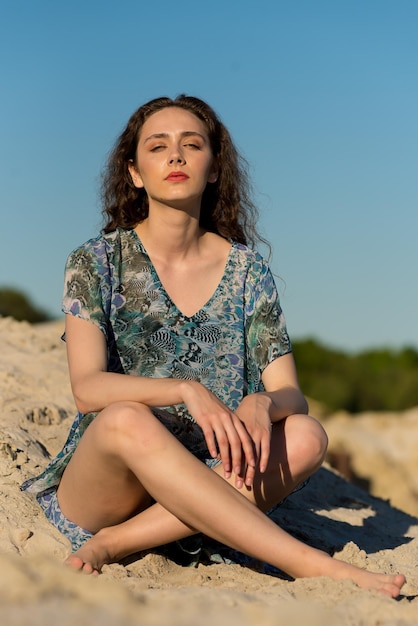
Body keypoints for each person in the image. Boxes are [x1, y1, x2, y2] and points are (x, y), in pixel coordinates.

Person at [22, 95, 405, 597]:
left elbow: (292, 393)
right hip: (113, 479)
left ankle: (120, 543)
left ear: (215, 167)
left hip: (216, 475)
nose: (176, 156)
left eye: (192, 144)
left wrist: (261, 402)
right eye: (158, 147)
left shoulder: (247, 270)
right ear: (135, 173)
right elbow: (88, 389)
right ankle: (313, 564)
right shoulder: (94, 262)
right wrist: (185, 389)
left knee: (308, 435)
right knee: (125, 417)